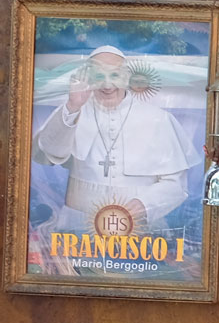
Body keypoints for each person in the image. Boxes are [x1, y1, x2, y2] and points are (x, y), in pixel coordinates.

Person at [32, 44, 197, 236]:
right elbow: (49, 153)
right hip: (77, 227)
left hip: (139, 229)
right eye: (99, 76)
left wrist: (144, 205)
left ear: (127, 77)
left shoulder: (158, 119)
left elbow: (176, 185)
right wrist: (73, 106)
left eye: (115, 75)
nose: (107, 85)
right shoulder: (72, 111)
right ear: (88, 78)